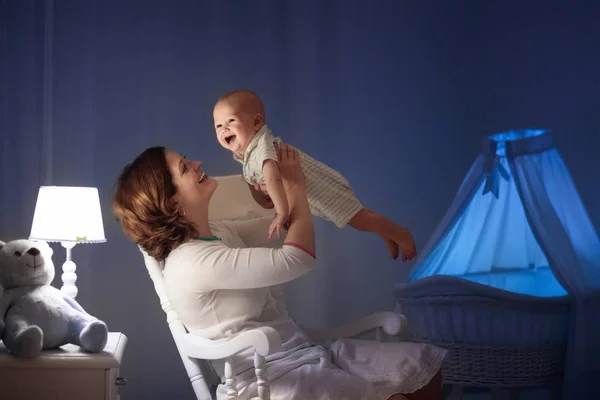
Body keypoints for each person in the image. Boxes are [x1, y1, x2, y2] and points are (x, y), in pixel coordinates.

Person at [113, 142, 446, 400]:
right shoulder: (191, 262)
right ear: (172, 204)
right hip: (268, 379)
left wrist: (278, 194)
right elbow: (298, 257)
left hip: (303, 352)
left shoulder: (218, 231)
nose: (197, 163)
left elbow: (286, 226)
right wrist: (296, 188)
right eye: (185, 168)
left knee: (425, 368)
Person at [213, 89, 417, 262]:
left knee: (358, 219)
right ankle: (386, 232)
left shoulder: (261, 146)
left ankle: (399, 233)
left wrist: (281, 213)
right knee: (357, 214)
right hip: (312, 194)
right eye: (219, 125)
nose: (224, 129)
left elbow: (272, 176)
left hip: (321, 189)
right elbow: (263, 188)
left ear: (257, 122)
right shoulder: (247, 155)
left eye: (231, 120)